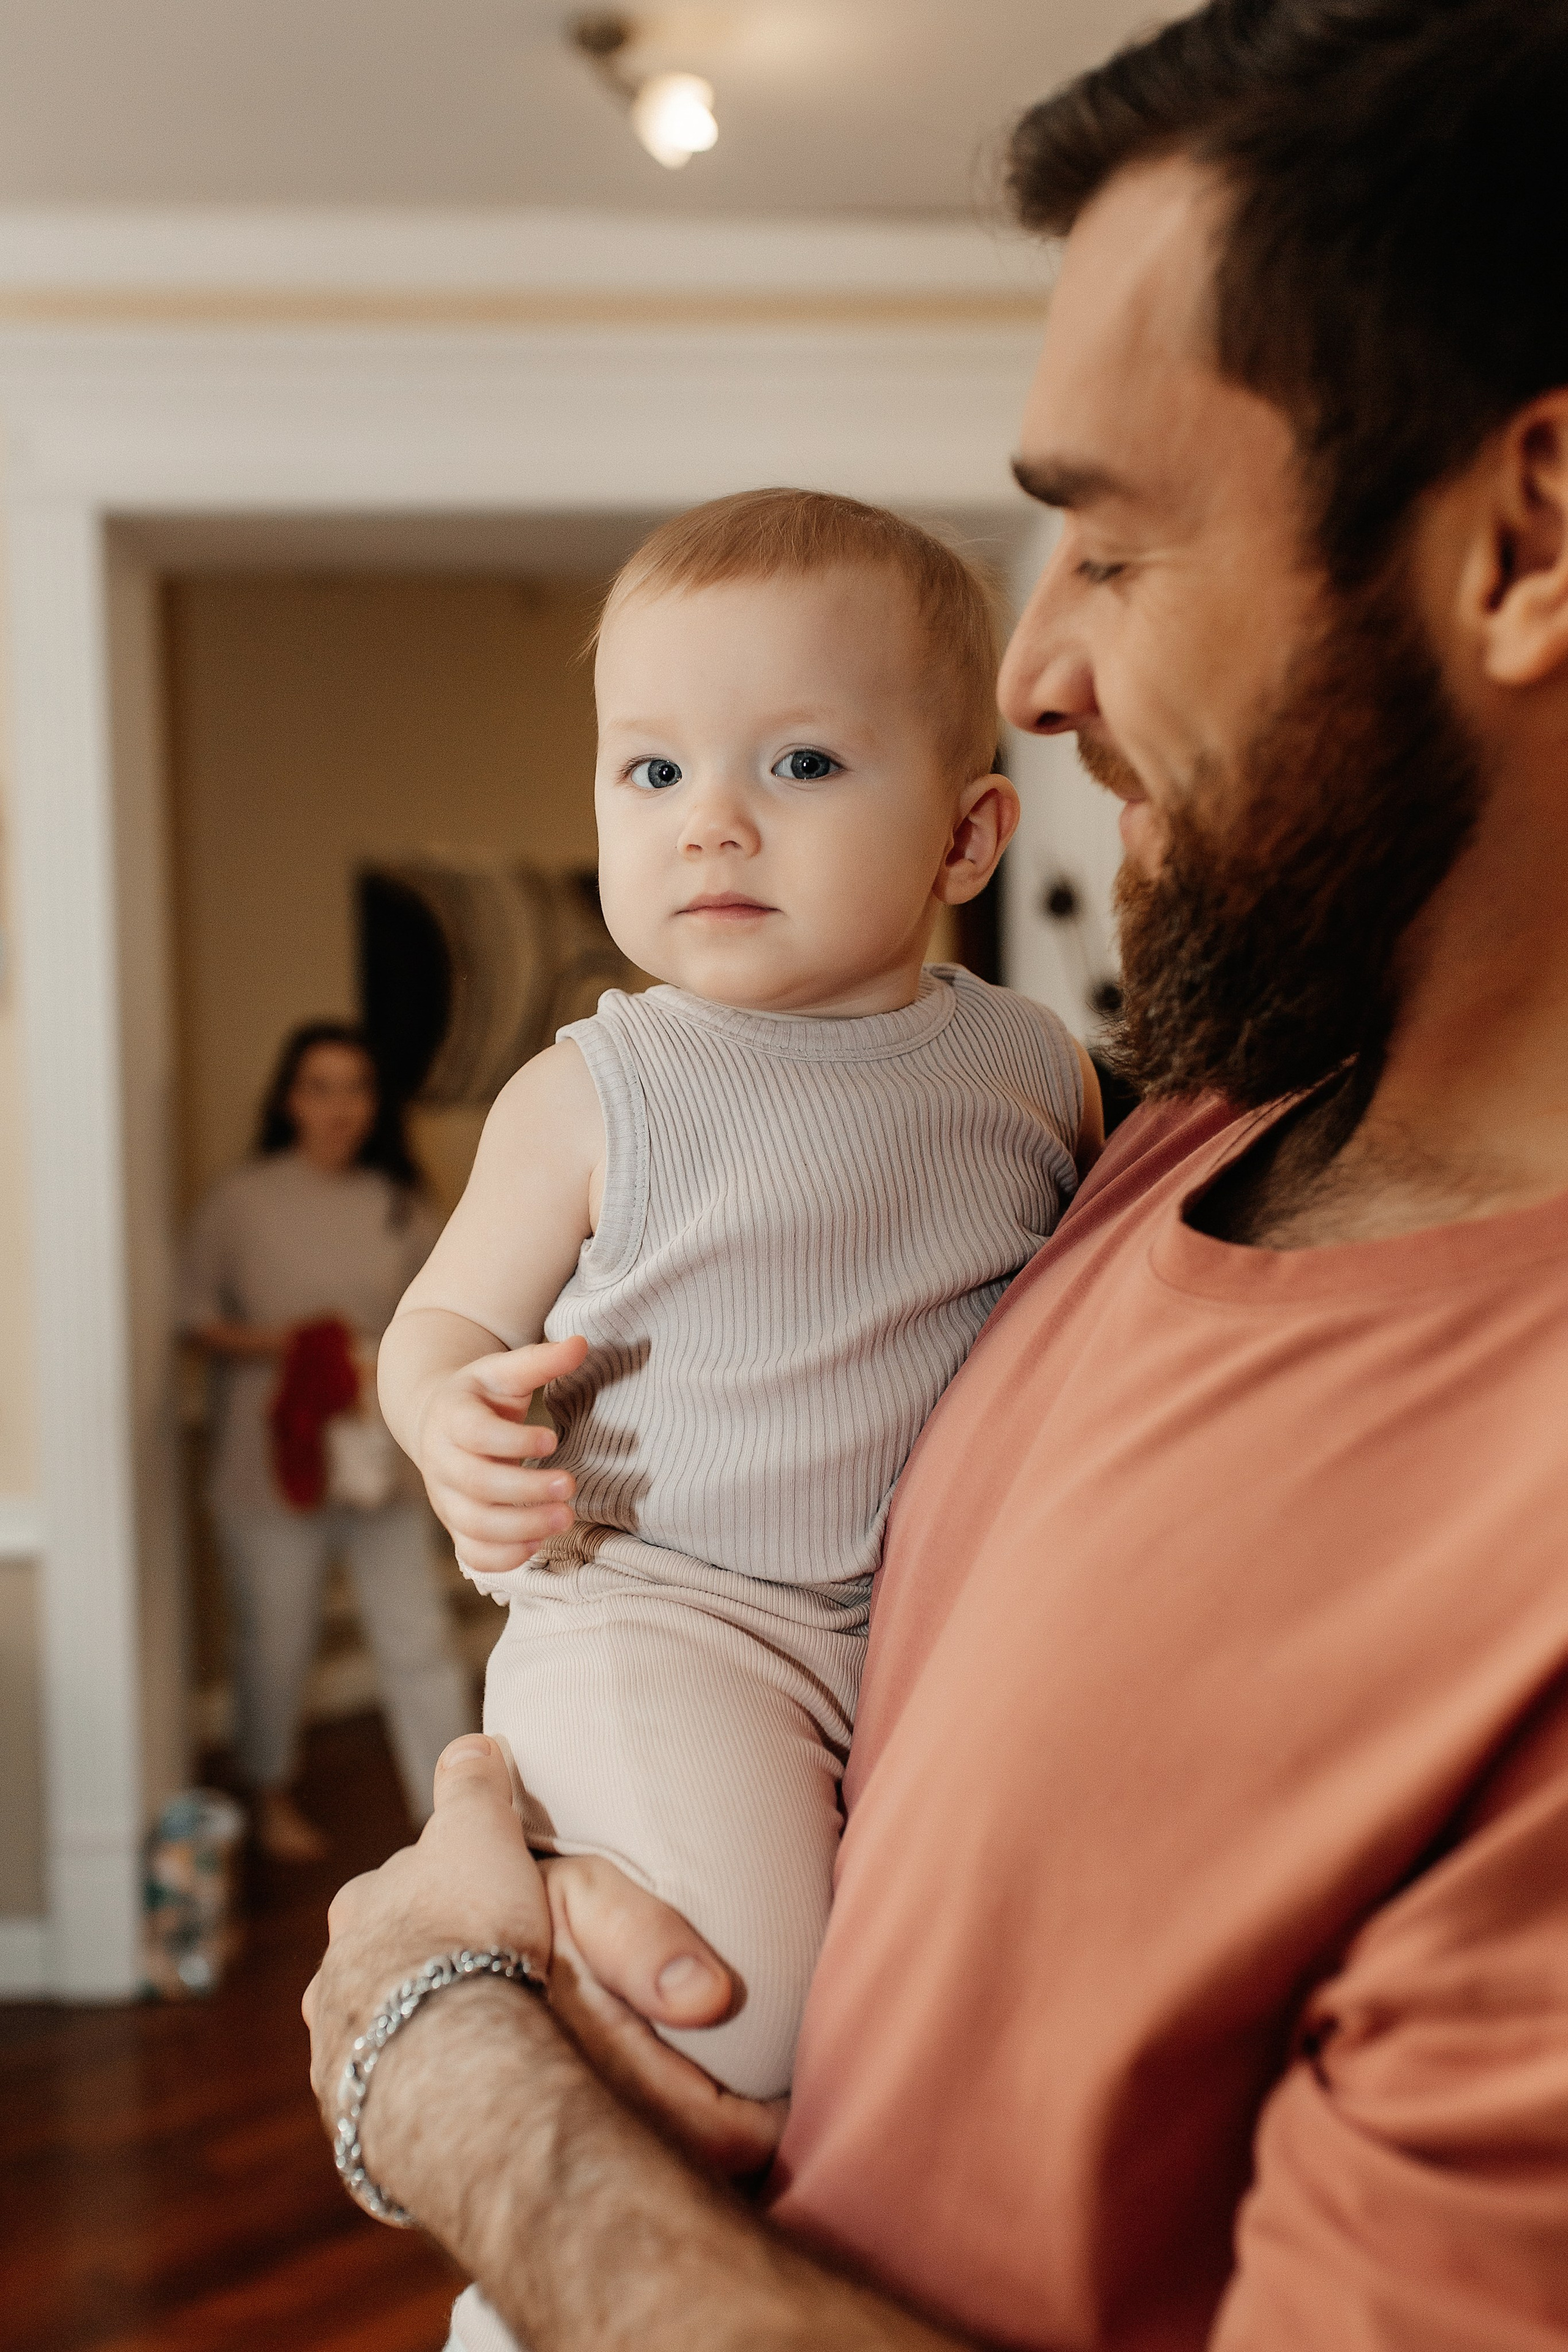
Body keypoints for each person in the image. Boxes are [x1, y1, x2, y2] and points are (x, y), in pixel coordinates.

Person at [306, 1, 1568, 2343]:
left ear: (1529, 536)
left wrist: (442, 2059)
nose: (1041, 672)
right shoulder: (1163, 1136)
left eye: (1109, 540)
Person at [377, 493, 1096, 2350]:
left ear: (967, 830)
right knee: (729, 2015)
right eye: (651, 766)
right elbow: (443, 1315)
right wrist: (453, 1412)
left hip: (903, 1646)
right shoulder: (601, 1083)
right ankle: (514, 2322)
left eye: (798, 759)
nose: (711, 815)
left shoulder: (1035, 1070)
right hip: (662, 1617)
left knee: (909, 2039)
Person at [179, 1022, 474, 1860]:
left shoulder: (401, 1203)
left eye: (356, 1089)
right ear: (288, 1098)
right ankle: (267, 1795)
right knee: (276, 1640)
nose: (339, 1107)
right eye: (320, 1086)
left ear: (374, 1105)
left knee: (417, 1636)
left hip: (378, 1457)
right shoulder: (241, 1202)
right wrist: (298, 1346)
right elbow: (195, 1320)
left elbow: (444, 1310)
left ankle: (450, 1812)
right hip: (268, 1463)